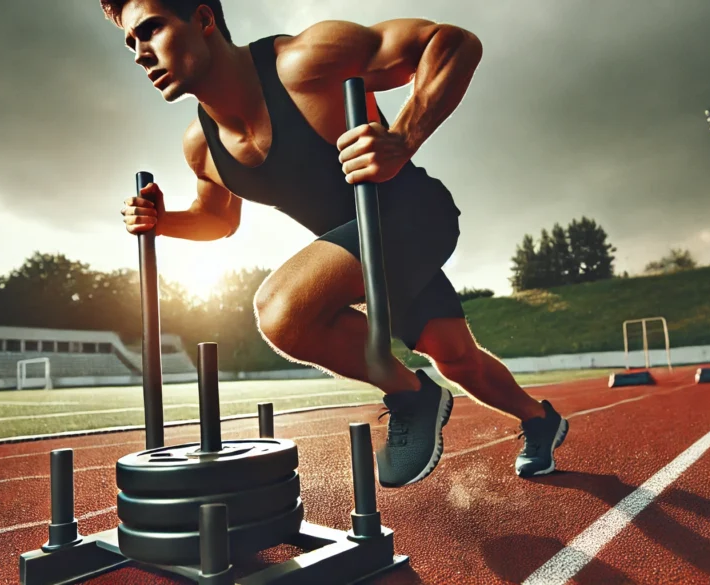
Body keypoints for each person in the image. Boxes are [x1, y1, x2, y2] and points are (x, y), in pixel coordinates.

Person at [105, 0, 569, 486]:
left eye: (151, 30)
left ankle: (412, 396)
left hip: (414, 216)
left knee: (280, 310)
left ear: (203, 20)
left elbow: (451, 43)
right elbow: (218, 219)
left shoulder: (305, 62)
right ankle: (540, 419)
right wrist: (163, 221)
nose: (140, 53)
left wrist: (403, 138)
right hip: (358, 250)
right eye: (132, 43)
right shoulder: (201, 146)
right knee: (455, 356)